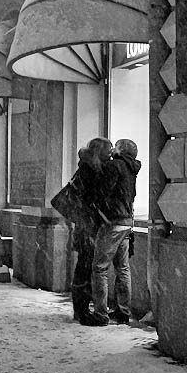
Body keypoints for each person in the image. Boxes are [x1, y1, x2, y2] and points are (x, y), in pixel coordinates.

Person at [87, 137, 141, 326]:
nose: (112, 149)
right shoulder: (131, 169)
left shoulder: (114, 166)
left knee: (99, 268)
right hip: (127, 221)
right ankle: (123, 312)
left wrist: (98, 210)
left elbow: (103, 192)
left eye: (116, 146)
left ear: (121, 149)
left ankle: (100, 314)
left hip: (112, 222)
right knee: (123, 269)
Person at [68, 137, 111, 325]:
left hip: (87, 223)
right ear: (99, 152)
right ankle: (82, 309)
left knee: (85, 266)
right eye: (108, 151)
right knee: (85, 267)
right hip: (87, 225)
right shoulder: (89, 171)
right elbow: (89, 198)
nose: (110, 155)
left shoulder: (87, 168)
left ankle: (81, 308)